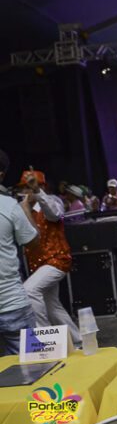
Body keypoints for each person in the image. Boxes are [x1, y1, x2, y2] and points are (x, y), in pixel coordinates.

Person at [17, 169, 81, 346]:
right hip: (39, 264)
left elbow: (54, 214)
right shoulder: (24, 209)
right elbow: (30, 236)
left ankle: (44, 342)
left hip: (56, 260)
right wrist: (24, 210)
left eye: (28, 187)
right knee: (52, 305)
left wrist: (37, 192)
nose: (25, 192)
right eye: (23, 188)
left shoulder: (52, 201)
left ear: (41, 186)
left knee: (29, 291)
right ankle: (77, 341)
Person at [0, 150, 38, 355]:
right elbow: (33, 242)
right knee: (33, 367)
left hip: (11, 306)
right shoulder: (9, 206)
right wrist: (25, 209)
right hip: (11, 304)